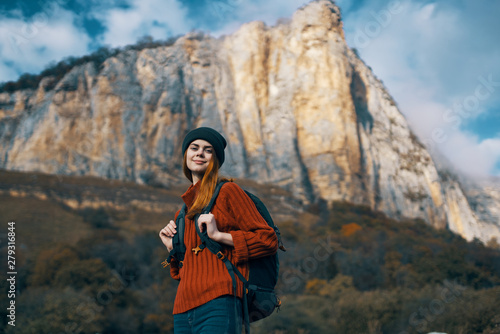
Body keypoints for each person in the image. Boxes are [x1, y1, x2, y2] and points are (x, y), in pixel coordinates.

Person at [159, 127, 279, 334]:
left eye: (208, 150)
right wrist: (172, 247)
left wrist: (219, 235)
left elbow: (268, 240)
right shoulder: (183, 212)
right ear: (185, 155)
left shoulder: (228, 192)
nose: (199, 153)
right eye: (194, 148)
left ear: (216, 160)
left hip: (220, 302)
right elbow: (184, 272)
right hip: (182, 309)